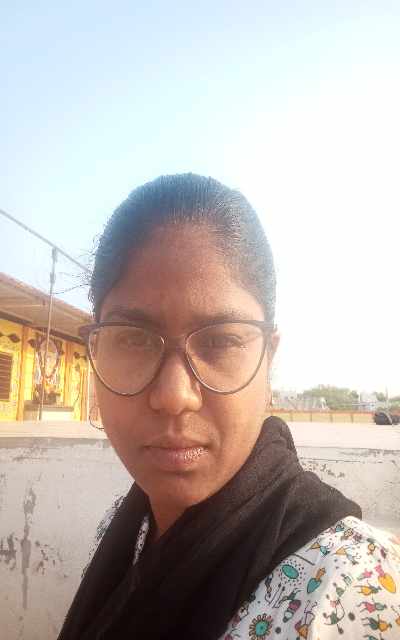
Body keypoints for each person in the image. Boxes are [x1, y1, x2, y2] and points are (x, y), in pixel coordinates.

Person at [58, 174, 400, 640]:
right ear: (96, 349)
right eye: (134, 339)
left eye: (220, 341)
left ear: (268, 360)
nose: (175, 396)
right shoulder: (126, 528)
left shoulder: (352, 590)